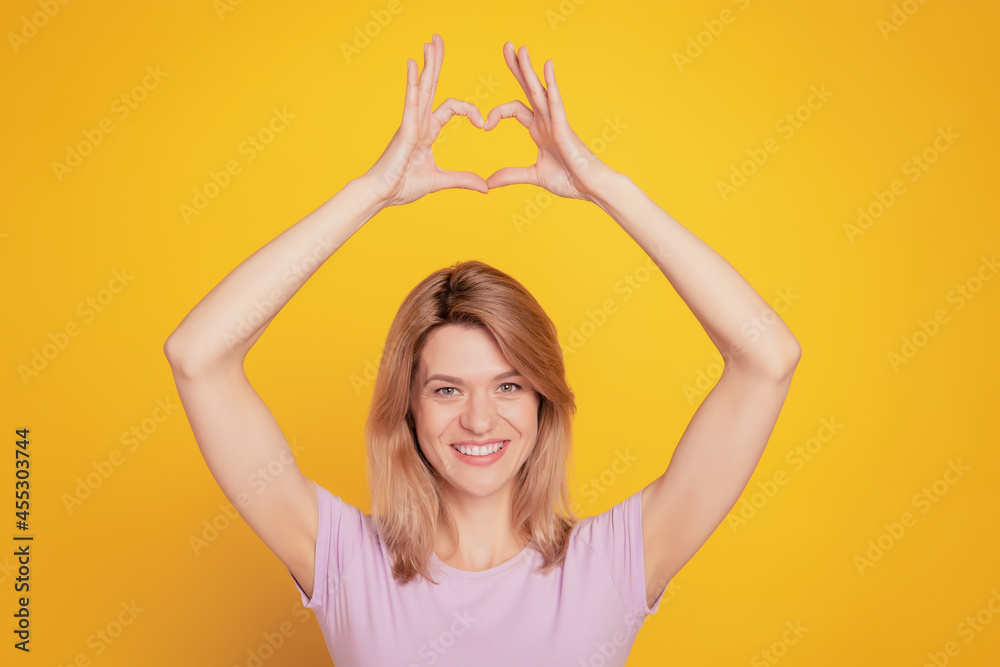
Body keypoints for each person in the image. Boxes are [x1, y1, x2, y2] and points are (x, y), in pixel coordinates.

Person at [164, 34, 801, 666]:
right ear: (407, 408)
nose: (478, 419)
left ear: (543, 400)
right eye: (446, 389)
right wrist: (372, 192)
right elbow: (198, 357)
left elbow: (767, 358)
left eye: (508, 385)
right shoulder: (342, 561)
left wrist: (604, 185)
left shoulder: (616, 563)